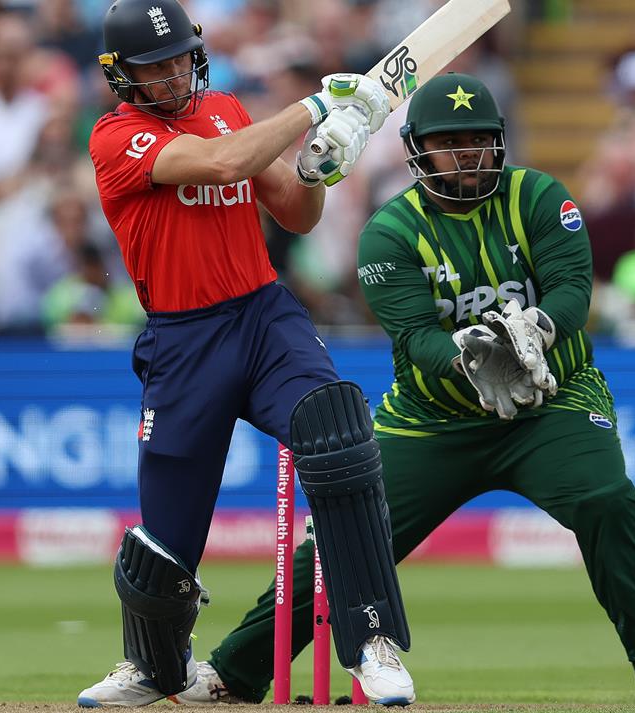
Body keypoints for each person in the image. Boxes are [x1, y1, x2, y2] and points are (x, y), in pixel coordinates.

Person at [177, 73, 635, 707]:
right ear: (417, 151)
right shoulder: (390, 231)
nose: (468, 156)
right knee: (343, 539)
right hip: (433, 419)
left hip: (550, 401)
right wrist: (467, 356)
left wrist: (536, 326)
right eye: (451, 143)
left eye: (479, 141)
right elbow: (415, 339)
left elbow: (572, 289)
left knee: (608, 502)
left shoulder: (539, 196)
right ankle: (235, 673)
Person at [76, 0, 415, 707]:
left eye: (178, 59)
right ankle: (157, 669)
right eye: (154, 66)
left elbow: (291, 208)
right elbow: (222, 162)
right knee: (159, 551)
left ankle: (373, 641)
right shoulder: (116, 138)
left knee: (338, 436)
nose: (172, 75)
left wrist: (319, 165)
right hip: (182, 341)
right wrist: (314, 105)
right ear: (121, 77)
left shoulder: (226, 108)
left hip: (264, 319)